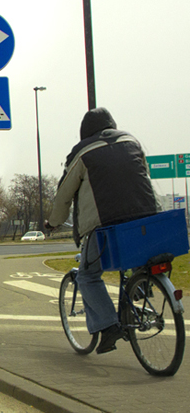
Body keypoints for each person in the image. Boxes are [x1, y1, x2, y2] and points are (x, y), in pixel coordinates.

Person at [44, 108, 160, 354]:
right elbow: (143, 177)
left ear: (84, 132)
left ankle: (109, 326)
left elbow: (63, 197)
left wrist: (53, 223)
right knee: (143, 257)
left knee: (87, 276)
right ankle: (142, 282)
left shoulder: (82, 152)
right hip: (145, 220)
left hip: (105, 225)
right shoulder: (131, 141)